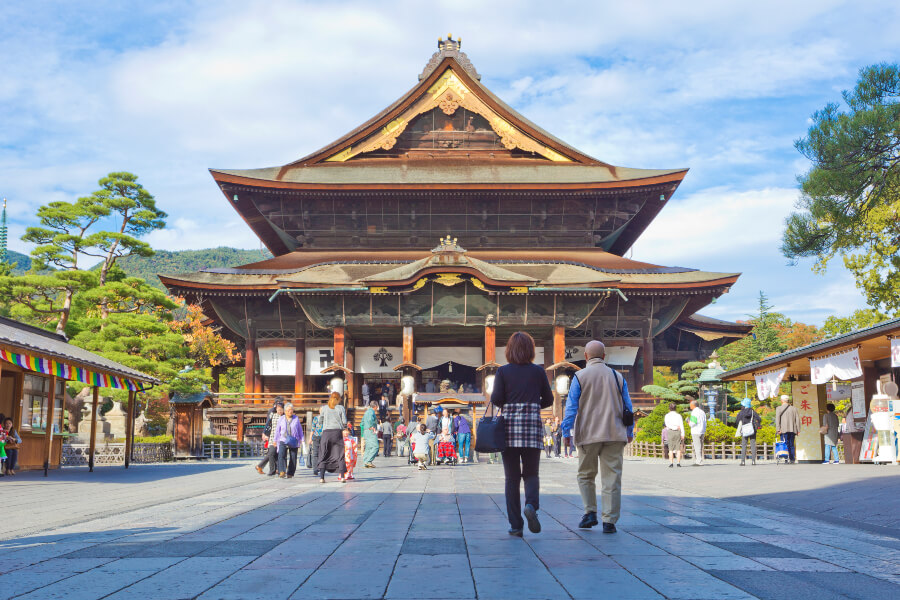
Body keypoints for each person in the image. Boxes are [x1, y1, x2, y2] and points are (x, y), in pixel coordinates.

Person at [562, 340, 634, 533]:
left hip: (588, 433)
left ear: (585, 356)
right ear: (604, 356)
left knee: (585, 475)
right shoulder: (617, 376)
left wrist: (565, 431)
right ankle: (609, 521)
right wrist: (629, 431)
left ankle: (590, 512)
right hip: (614, 432)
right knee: (612, 477)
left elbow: (571, 408)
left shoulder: (579, 376)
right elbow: (628, 406)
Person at [491, 331, 554, 537]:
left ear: (509, 350)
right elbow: (549, 399)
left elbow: (497, 398)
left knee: (511, 478)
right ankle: (531, 506)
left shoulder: (503, 371)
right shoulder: (538, 371)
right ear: (530, 350)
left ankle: (516, 525)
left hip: (508, 428)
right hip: (531, 428)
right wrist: (532, 404)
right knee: (531, 473)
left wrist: (511, 403)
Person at [317, 392, 348, 483]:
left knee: (323, 454)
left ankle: (322, 477)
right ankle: (342, 477)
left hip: (326, 433)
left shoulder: (325, 408)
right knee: (340, 454)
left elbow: (320, 420)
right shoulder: (341, 408)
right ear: (338, 399)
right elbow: (344, 421)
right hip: (337, 433)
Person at [274, 403, 303, 478]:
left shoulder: (296, 418)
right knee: (281, 455)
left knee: (293, 456)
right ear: (285, 411)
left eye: (291, 410)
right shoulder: (281, 419)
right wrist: (275, 440)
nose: (290, 411)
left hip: (293, 439)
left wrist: (302, 439)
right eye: (289, 410)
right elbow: (277, 430)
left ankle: (290, 473)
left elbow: (300, 430)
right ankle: (282, 471)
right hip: (283, 439)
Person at [255, 401, 283, 476]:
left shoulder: (284, 416)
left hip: (281, 438)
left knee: (275, 453)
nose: (279, 410)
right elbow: (268, 424)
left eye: (281, 409)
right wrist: (265, 433)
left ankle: (275, 469)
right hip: (272, 437)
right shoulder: (272, 414)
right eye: (278, 408)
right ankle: (272, 469)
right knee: (271, 453)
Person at [775, 394, 800, 463]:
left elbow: (777, 420)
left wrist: (778, 429)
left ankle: (786, 458)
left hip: (783, 430)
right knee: (791, 444)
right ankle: (792, 459)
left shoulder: (779, 408)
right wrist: (798, 430)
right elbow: (797, 419)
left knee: (784, 444)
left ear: (782, 401)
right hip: (793, 429)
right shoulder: (794, 408)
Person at [735, 398, 761, 466]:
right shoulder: (753, 412)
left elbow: (737, 421)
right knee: (753, 445)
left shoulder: (741, 412)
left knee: (744, 445)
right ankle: (753, 461)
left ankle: (743, 461)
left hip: (744, 430)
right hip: (752, 430)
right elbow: (759, 419)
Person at [687, 397, 707, 466]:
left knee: (697, 447)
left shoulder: (694, 412)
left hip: (696, 431)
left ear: (693, 405)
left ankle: (699, 461)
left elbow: (693, 423)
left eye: (690, 404)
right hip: (702, 431)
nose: (690, 406)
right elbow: (705, 421)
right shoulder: (702, 412)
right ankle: (700, 460)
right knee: (700, 446)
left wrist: (688, 422)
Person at [361, 400, 379, 468]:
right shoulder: (371, 412)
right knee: (375, 446)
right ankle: (369, 461)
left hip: (366, 431)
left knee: (368, 447)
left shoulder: (366, 412)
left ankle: (365, 462)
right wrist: (372, 427)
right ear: (375, 406)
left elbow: (362, 423)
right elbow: (370, 420)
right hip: (370, 430)